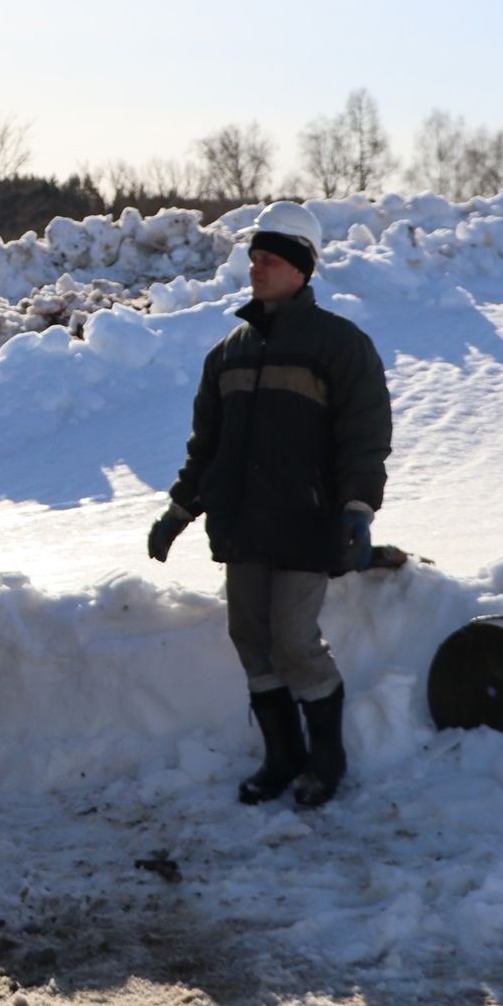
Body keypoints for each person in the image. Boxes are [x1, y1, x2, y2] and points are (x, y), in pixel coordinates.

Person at [147, 202, 391, 809]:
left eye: (271, 260)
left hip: (307, 523)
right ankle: (282, 757)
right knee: (250, 638)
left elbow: (364, 434)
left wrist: (357, 508)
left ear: (302, 271)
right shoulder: (229, 352)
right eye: (254, 258)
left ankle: (326, 759)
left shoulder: (339, 344)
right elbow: (208, 447)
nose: (257, 269)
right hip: (243, 525)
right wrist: (180, 511)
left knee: (293, 639)